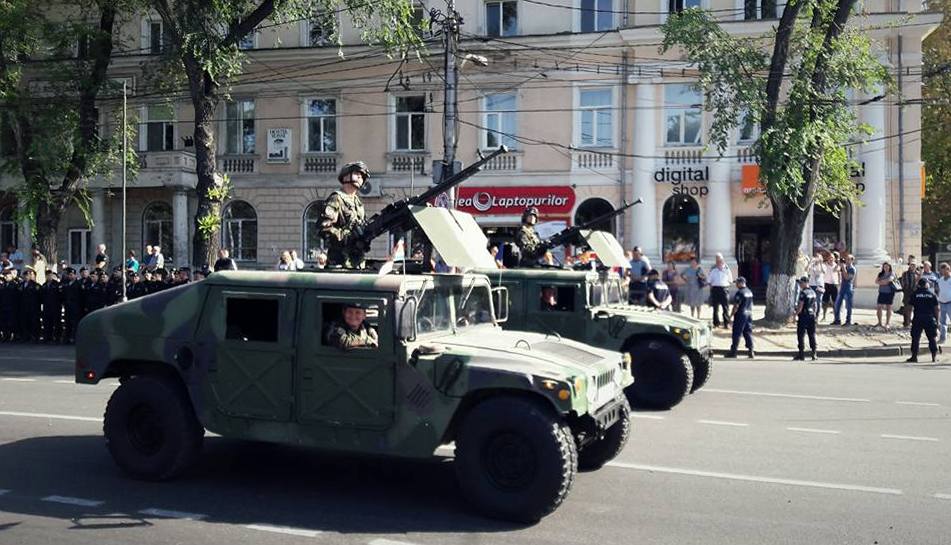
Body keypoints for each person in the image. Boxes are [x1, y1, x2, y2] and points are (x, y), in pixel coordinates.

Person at [320, 161, 369, 269]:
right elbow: (324, 227)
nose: (360, 177)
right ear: (346, 176)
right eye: (357, 174)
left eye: (362, 176)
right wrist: (344, 237)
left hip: (357, 261)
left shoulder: (358, 202)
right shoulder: (337, 198)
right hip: (340, 261)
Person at [905, 278, 939, 363]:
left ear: (918, 285)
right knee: (932, 338)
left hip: (918, 318)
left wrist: (908, 320)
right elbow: (937, 309)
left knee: (915, 338)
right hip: (929, 318)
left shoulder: (915, 294)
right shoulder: (932, 295)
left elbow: (909, 308)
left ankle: (914, 356)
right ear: (926, 285)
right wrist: (937, 320)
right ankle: (934, 356)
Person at [723, 276, 754, 359]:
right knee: (748, 332)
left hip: (741, 315)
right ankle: (751, 350)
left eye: (737, 283)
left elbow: (736, 306)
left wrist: (730, 316)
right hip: (749, 314)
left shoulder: (740, 293)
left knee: (736, 333)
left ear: (741, 283)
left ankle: (734, 352)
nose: (736, 284)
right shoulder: (749, 292)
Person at [793, 276, 818, 361]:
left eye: (801, 283)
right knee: (812, 334)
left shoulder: (803, 293)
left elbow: (800, 306)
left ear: (805, 283)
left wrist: (795, 315)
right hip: (812, 316)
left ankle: (801, 354)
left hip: (804, 316)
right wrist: (815, 315)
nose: (800, 285)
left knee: (801, 335)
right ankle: (814, 353)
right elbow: (815, 306)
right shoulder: (813, 292)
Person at [708, 253, 734, 329]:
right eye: (717, 260)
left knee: (725, 308)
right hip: (715, 289)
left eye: (720, 260)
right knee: (715, 308)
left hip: (724, 289)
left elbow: (730, 280)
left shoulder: (727, 269)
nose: (719, 262)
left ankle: (726, 323)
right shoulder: (713, 269)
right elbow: (709, 280)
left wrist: (725, 286)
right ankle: (716, 323)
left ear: (723, 261)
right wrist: (712, 288)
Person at [832, 254, 856, 326]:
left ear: (852, 260)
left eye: (849, 259)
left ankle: (848, 321)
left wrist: (843, 267)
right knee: (837, 305)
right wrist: (838, 264)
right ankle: (837, 320)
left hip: (848, 288)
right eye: (846, 259)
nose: (847, 261)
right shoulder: (844, 267)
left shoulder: (852, 269)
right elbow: (834, 270)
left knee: (848, 306)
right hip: (842, 288)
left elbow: (846, 277)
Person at [41, 270, 62, 343]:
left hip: (55, 306)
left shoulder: (57, 284)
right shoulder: (44, 285)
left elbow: (60, 296)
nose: (48, 277)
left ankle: (57, 337)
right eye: (47, 275)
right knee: (47, 322)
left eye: (50, 275)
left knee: (56, 322)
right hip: (47, 307)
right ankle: (48, 337)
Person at [875, 262, 897, 329]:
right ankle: (879, 322)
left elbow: (889, 280)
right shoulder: (881, 274)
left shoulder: (892, 273)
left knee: (888, 307)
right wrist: (883, 282)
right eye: (884, 267)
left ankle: (887, 323)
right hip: (882, 292)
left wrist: (881, 282)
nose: (886, 268)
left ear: (890, 267)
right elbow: (876, 281)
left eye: (887, 266)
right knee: (879, 307)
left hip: (889, 292)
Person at [899, 257, 919, 328]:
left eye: (914, 265)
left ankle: (913, 322)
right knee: (907, 307)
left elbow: (919, 283)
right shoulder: (905, 273)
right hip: (907, 291)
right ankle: (906, 322)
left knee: (915, 308)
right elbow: (903, 283)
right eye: (911, 265)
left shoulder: (918, 274)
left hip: (915, 292)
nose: (913, 267)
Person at [821, 251, 840, 322]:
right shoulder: (825, 265)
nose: (831, 259)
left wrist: (838, 263)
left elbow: (836, 270)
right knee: (825, 301)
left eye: (832, 258)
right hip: (826, 284)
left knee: (835, 302)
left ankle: (836, 317)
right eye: (829, 258)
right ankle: (824, 316)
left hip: (834, 285)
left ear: (834, 259)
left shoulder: (836, 265)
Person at [935, 262, 951, 345]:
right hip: (942, 302)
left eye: (944, 271)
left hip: (950, 303)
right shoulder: (940, 279)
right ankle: (942, 338)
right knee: (942, 322)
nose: (942, 273)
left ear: (948, 269)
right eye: (942, 271)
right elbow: (939, 289)